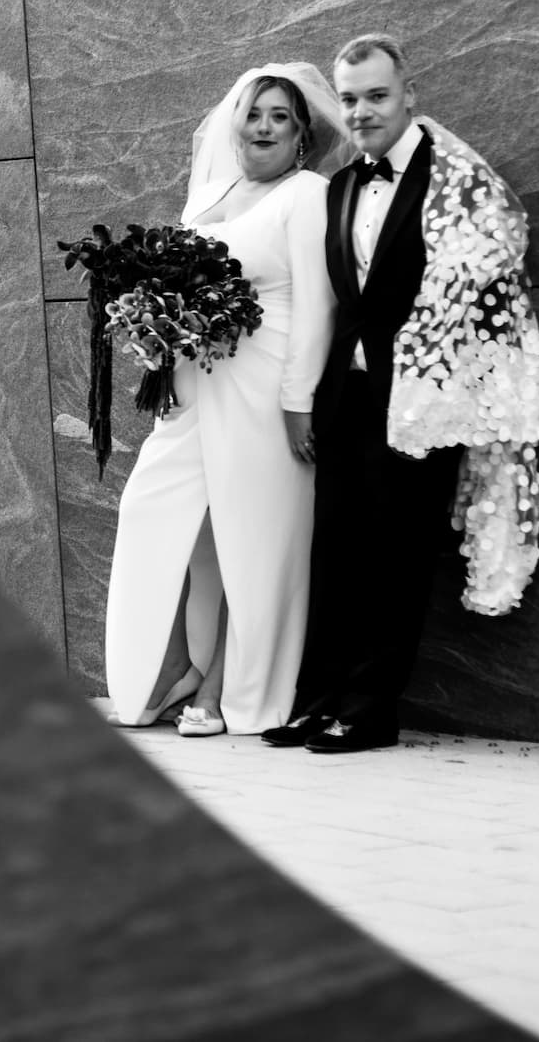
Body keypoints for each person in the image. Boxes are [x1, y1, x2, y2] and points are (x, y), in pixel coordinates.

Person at [262, 34, 539, 755]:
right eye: (351, 98)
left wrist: (463, 393)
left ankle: (369, 709)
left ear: (408, 95)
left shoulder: (456, 182)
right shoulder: (339, 185)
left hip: (422, 404)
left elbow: (490, 278)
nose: (361, 112)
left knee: (395, 559)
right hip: (348, 396)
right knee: (336, 554)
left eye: (377, 96)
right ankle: (318, 696)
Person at [104, 63, 353, 736]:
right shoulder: (209, 194)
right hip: (193, 390)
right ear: (234, 124)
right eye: (255, 113)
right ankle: (171, 668)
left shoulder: (308, 194)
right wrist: (160, 357)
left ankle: (221, 690)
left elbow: (316, 309)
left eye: (281, 116)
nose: (264, 125)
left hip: (264, 392)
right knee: (152, 511)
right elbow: (179, 293)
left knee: (251, 537)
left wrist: (300, 401)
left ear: (302, 134)